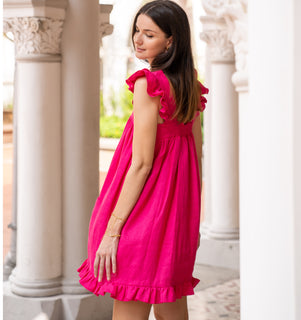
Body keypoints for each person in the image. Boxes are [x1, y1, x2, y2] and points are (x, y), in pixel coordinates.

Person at [77, 1, 208, 319]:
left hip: (143, 218)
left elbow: (141, 163)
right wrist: (189, 221)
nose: (138, 39)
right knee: (170, 309)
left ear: (171, 40)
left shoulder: (148, 84)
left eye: (149, 34)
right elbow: (196, 157)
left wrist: (112, 231)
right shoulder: (189, 83)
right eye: (137, 30)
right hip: (175, 219)